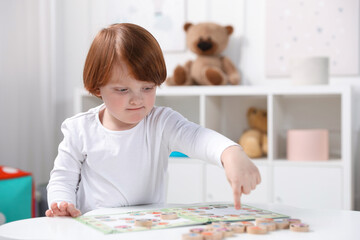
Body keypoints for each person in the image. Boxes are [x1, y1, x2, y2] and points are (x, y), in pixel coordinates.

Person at [46, 23, 261, 218]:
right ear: (96, 88)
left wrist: (230, 152)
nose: (137, 99)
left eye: (147, 88)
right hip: (95, 229)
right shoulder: (79, 128)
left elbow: (198, 138)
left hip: (146, 228)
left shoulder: (161, 122)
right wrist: (62, 205)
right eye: (122, 90)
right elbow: (62, 178)